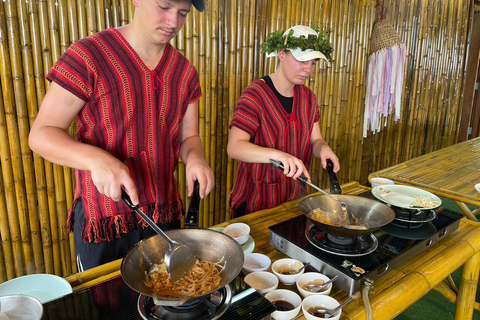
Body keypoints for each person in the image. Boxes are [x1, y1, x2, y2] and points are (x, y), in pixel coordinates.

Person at [28, 0, 214, 271]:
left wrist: (196, 158)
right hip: (105, 217)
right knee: (109, 307)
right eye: (164, 6)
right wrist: (97, 160)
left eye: (183, 13)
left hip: (164, 213)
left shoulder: (185, 72)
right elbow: (42, 135)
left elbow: (189, 137)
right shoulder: (89, 55)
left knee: (168, 299)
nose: (174, 22)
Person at [227, 25, 340, 217]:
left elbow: (315, 140)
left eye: (313, 63)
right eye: (301, 60)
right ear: (281, 54)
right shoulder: (255, 94)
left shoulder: (308, 98)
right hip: (255, 203)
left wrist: (323, 149)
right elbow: (235, 147)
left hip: (294, 200)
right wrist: (279, 156)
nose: (308, 69)